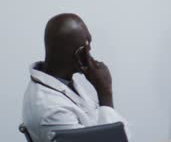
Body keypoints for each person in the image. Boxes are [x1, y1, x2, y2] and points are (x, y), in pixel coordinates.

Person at [22, 13, 129, 141]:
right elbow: (112, 139)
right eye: (86, 46)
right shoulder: (50, 108)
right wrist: (105, 93)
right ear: (78, 54)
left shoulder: (65, 83)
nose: (89, 49)